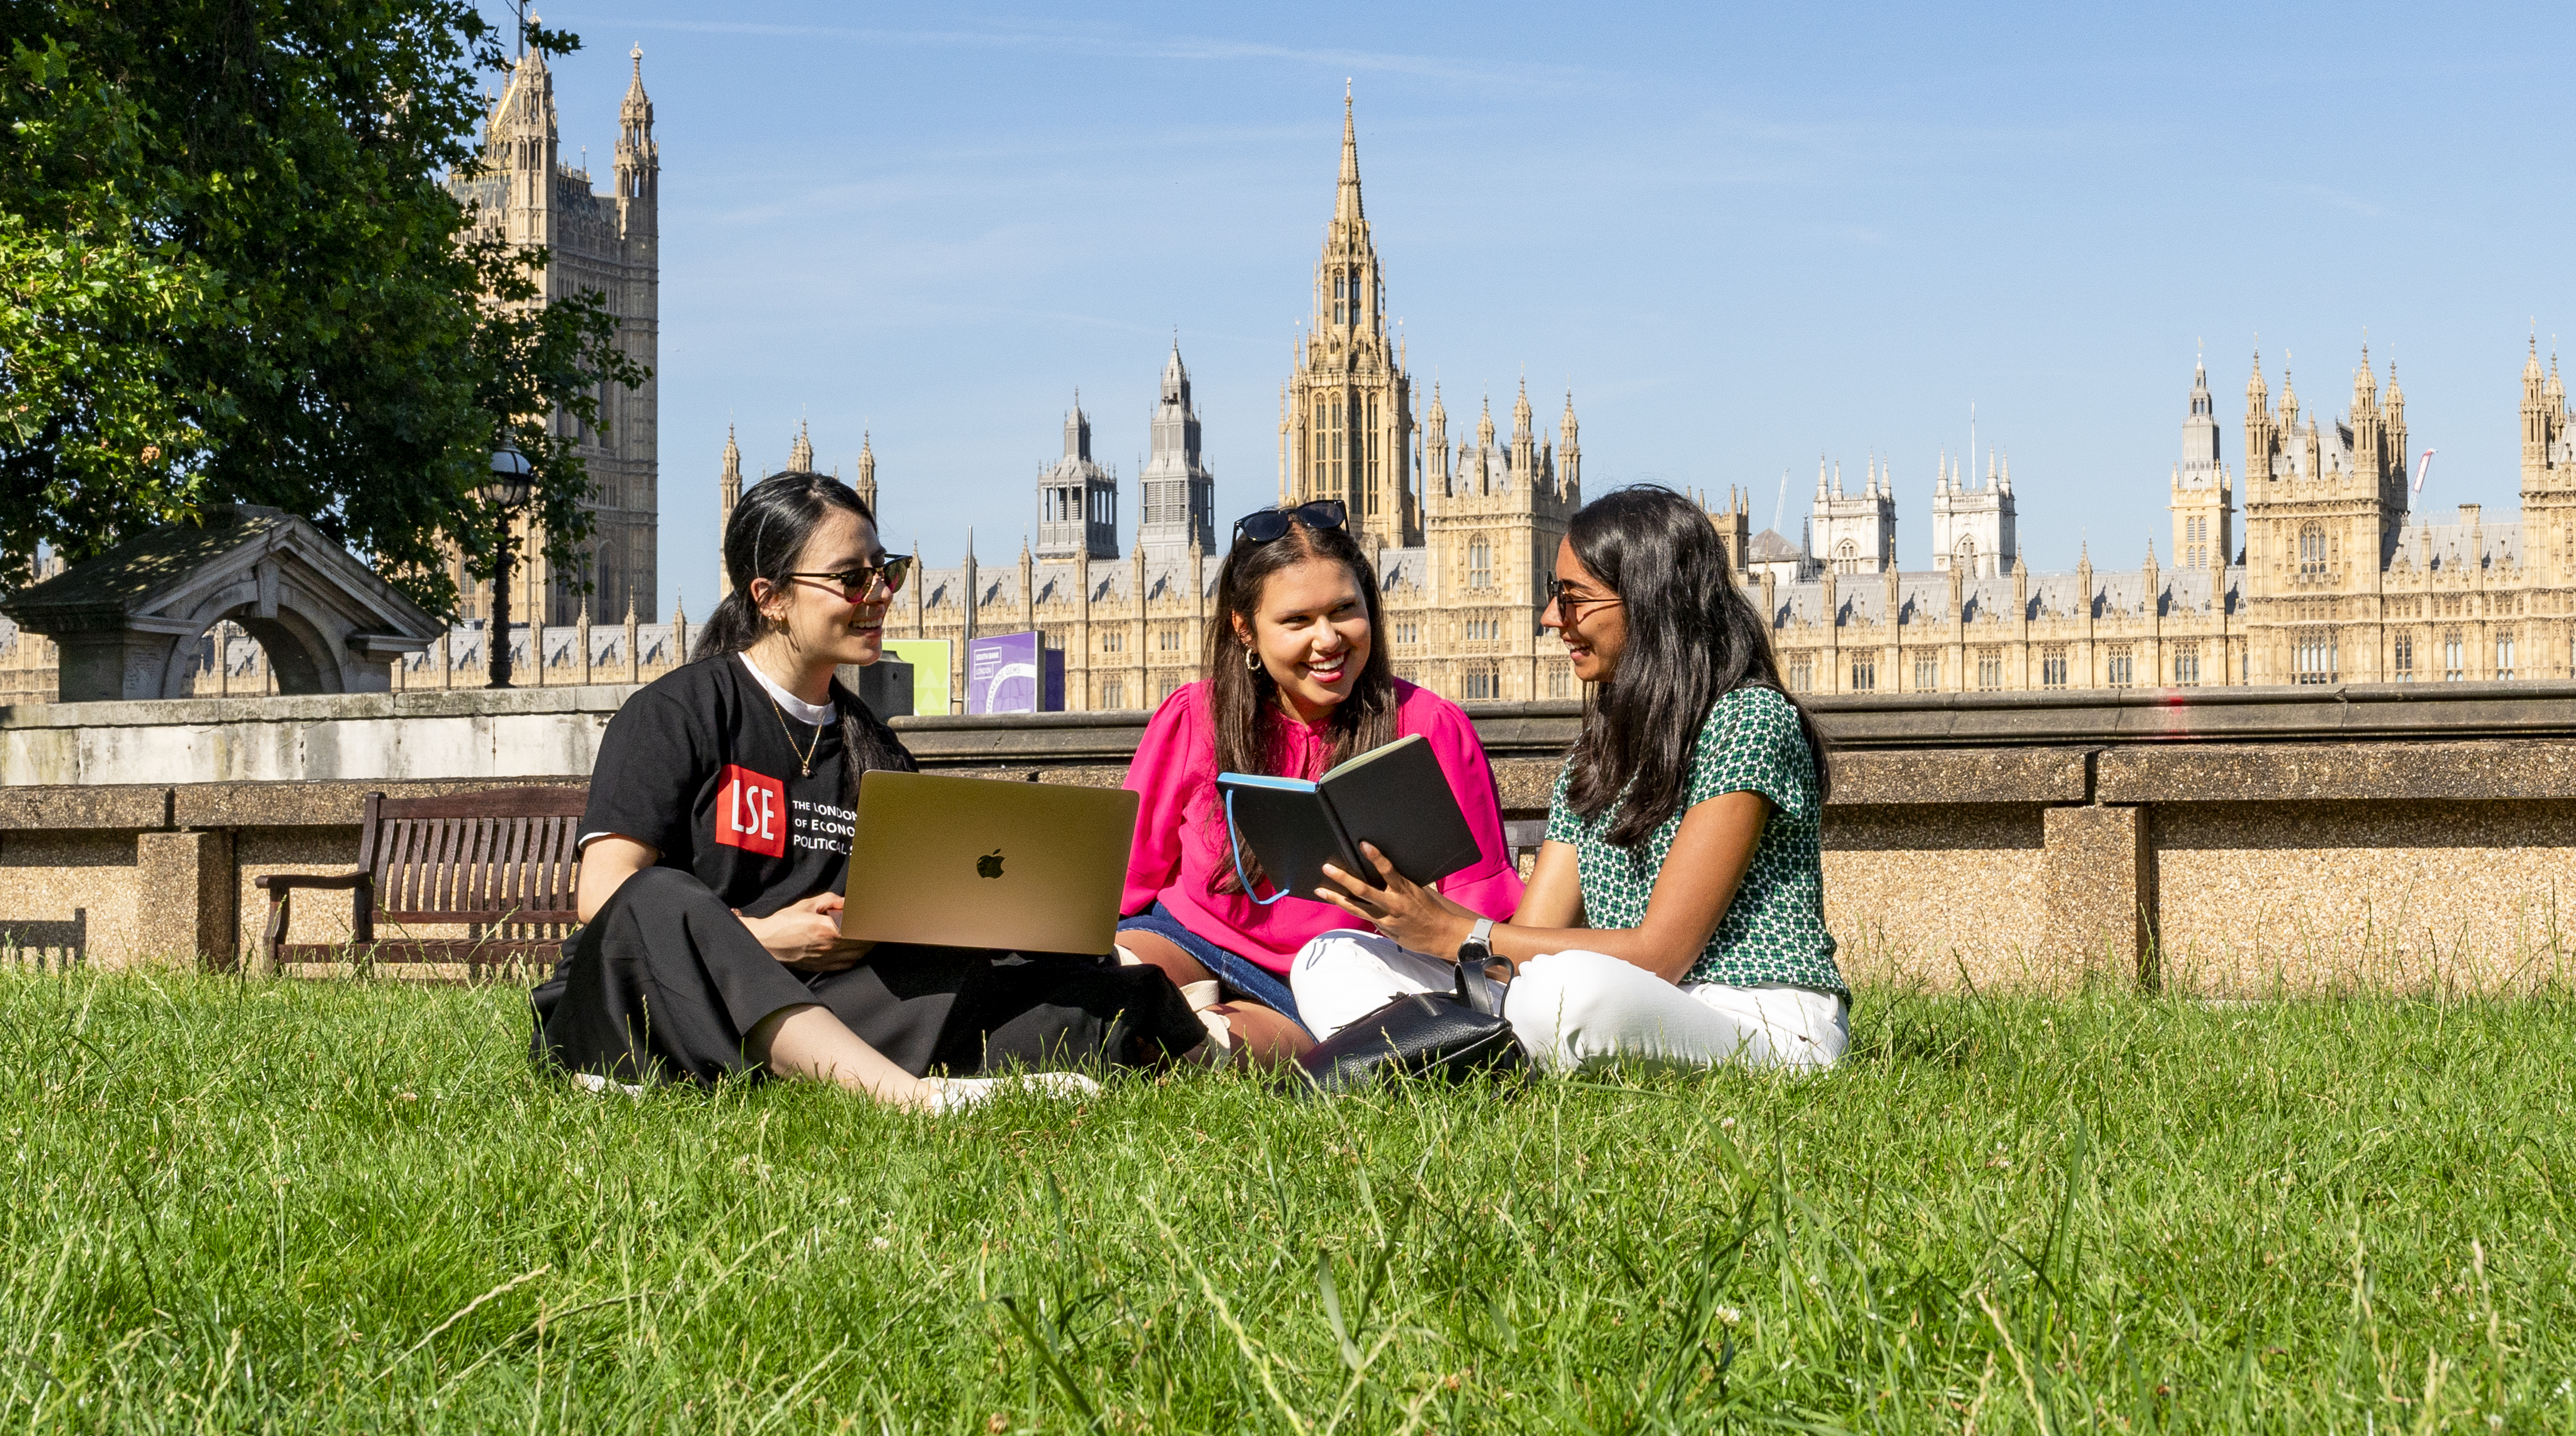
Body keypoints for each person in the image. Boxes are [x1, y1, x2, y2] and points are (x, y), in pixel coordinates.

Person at [532, 471, 1202, 1106]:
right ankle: (908, 1097)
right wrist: (763, 938)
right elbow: (605, 895)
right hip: (655, 1000)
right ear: (769, 597)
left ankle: (821, 1069)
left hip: (820, 995)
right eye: (852, 579)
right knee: (658, 895)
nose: (879, 593)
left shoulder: (871, 746)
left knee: (1099, 995)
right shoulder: (678, 711)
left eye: (888, 572)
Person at [1301, 484, 1847, 1073]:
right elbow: (1531, 936)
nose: (1548, 618)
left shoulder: (1749, 719)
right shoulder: (1597, 752)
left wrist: (1456, 932)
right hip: (1625, 999)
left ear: (1649, 600)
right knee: (1329, 956)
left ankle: (1449, 1057)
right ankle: (1465, 1059)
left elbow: (1659, 954)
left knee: (1568, 991)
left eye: (1571, 599)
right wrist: (1422, 917)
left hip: (1757, 1018)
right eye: (1551, 595)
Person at [1112, 500, 1527, 1062]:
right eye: (1297, 621)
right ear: (1245, 629)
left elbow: (1484, 911)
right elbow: (1123, 874)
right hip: (1187, 935)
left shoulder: (1427, 727)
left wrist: (1419, 916)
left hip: (1316, 983)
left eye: (1343, 611)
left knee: (1202, 1046)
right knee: (1108, 989)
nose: (1327, 639)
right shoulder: (1196, 716)